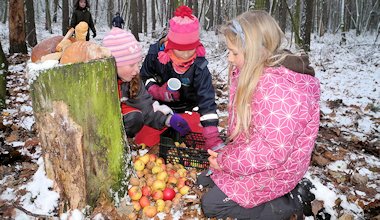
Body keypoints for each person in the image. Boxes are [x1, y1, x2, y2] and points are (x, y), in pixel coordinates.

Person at [197, 11, 321, 219]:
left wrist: (227, 161)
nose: (229, 58)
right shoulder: (256, 73)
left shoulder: (278, 91)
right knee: (205, 179)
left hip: (277, 171)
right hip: (257, 159)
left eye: (234, 53)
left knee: (211, 205)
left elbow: (272, 151)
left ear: (258, 51)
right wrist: (226, 157)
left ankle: (286, 204)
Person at [138, 5, 224, 150]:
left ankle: (181, 134)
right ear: (170, 45)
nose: (185, 55)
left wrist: (211, 134)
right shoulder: (155, 55)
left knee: (202, 141)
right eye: (180, 50)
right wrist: (157, 91)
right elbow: (143, 78)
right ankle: (165, 132)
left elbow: (207, 101)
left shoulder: (199, 66)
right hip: (160, 111)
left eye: (190, 49)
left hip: (188, 111)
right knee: (143, 140)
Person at [102, 27, 190, 148]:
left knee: (135, 118)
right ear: (113, 65)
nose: (137, 69)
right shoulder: (98, 84)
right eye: (132, 64)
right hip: (99, 127)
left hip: (121, 120)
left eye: (138, 63)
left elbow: (147, 107)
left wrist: (168, 119)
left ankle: (121, 144)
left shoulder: (132, 80)